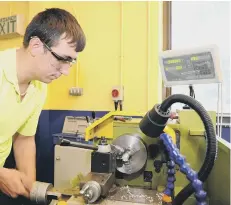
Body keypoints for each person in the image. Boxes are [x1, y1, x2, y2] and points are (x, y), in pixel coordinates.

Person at [0, 8, 86, 204]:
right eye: (62, 59)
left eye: (71, 62)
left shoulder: (39, 87)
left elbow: (24, 138)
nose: (65, 71)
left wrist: (31, 188)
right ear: (36, 46)